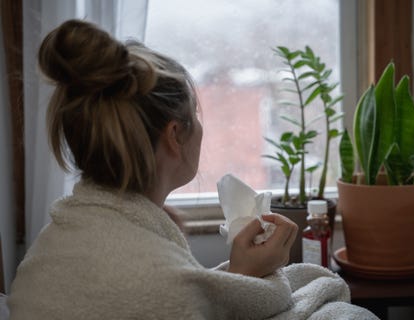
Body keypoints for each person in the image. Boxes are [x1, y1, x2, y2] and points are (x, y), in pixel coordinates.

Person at [7, 19, 378, 319]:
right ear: (174, 135)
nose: (201, 127)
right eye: (195, 117)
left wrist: (239, 273)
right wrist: (250, 278)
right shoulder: (158, 283)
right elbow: (172, 296)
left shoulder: (46, 250)